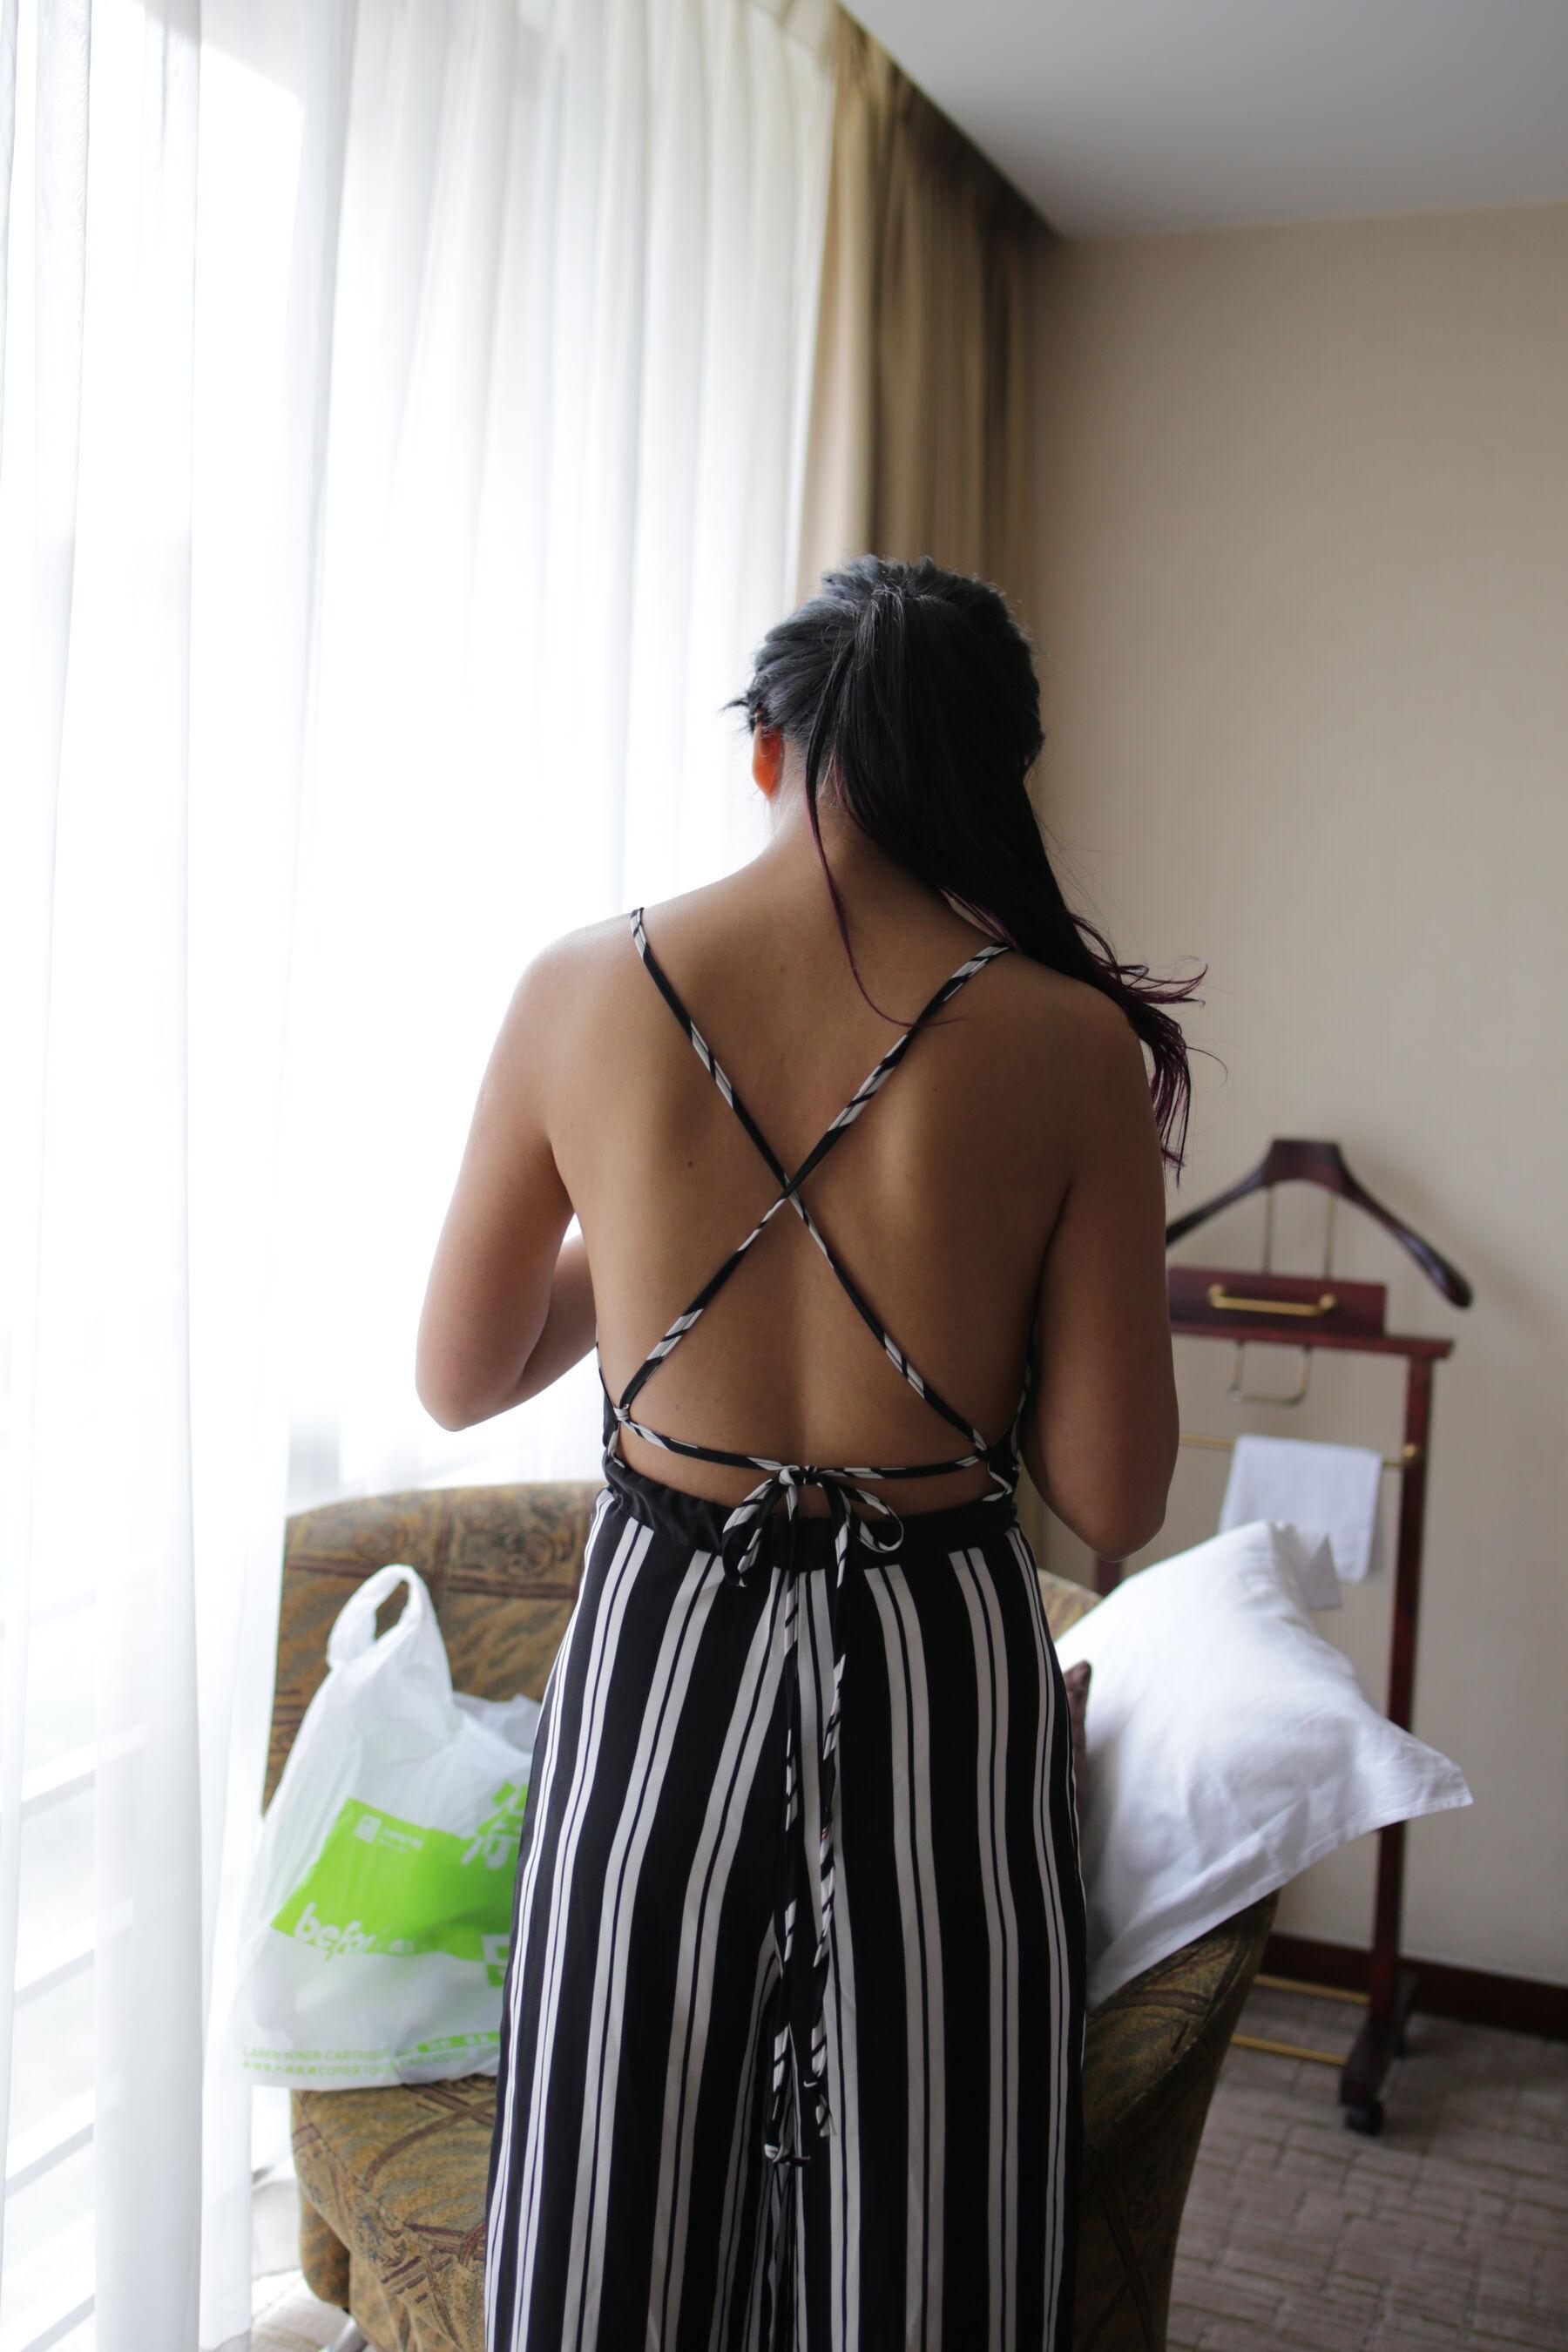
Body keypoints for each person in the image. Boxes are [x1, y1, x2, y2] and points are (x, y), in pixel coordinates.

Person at [416, 553, 1193, 2351]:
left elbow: (462, 1374)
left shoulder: (581, 985)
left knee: (609, 2199)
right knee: (930, 2221)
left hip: (663, 1639)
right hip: (935, 1662)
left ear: (767, 751)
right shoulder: (1069, 1042)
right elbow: (1115, 1494)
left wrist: (668, 1229)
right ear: (993, 775)